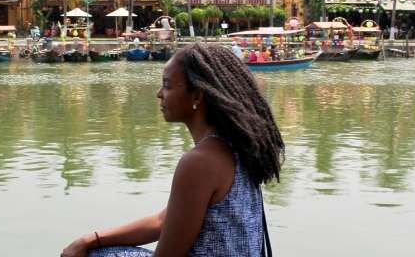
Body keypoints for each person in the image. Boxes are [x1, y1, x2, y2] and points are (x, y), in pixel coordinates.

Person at [61, 43, 283, 257]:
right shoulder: (239, 146)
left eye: (167, 85)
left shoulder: (200, 162)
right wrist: (91, 239)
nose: (159, 93)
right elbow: (164, 221)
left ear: (196, 96)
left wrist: (90, 247)